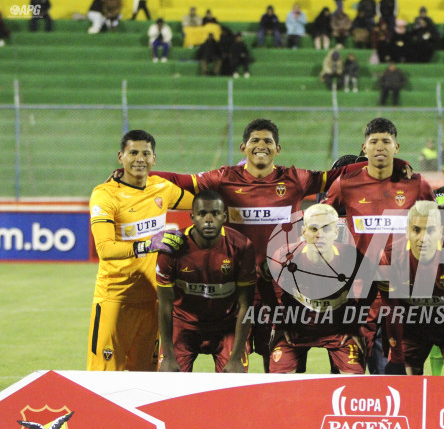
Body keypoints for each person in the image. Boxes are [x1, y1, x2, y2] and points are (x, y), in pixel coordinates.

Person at [149, 119, 372, 371]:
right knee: (233, 365)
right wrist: (137, 173)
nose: (261, 145)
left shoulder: (295, 179)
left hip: (279, 291)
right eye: (255, 140)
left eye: (268, 141)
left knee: (277, 360)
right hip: (233, 290)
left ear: (278, 148)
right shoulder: (224, 178)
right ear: (244, 147)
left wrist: (396, 165)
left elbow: (337, 174)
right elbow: (178, 179)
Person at [322, 118, 435, 374]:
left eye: (386, 141)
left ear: (397, 147)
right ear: (364, 147)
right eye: (374, 142)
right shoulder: (346, 185)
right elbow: (320, 221)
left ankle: (407, 411)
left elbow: (433, 229)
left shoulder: (417, 185)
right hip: (361, 288)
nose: (380, 147)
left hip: (406, 286)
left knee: (406, 363)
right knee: (350, 362)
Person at [88, 130, 192, 371]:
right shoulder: (104, 195)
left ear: (154, 159)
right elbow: (104, 249)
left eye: (146, 153)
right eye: (133, 152)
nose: (139, 159)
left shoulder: (161, 189)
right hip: (115, 299)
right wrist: (147, 245)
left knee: (145, 375)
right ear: (120, 157)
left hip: (152, 301)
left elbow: (201, 203)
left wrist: (234, 178)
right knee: (103, 377)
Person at [156, 190, 256, 373]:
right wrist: (168, 356)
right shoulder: (171, 248)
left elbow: (246, 305)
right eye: (202, 214)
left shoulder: (242, 247)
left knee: (233, 385)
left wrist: (236, 357)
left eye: (215, 214)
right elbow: (165, 304)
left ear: (224, 216)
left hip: (226, 326)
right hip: (183, 325)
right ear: (192, 217)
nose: (209, 220)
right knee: (168, 381)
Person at [266, 203, 369, 374]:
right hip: (296, 332)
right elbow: (266, 284)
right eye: (314, 229)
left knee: (355, 386)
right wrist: (279, 325)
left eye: (327, 229)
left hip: (338, 332)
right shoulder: (285, 258)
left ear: (336, 232)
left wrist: (355, 326)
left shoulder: (351, 257)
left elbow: (370, 286)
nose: (320, 235)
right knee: (279, 384)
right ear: (304, 232)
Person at [381, 201, 444, 376]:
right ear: (407, 230)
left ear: (441, 231)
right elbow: (391, 309)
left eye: (431, 230)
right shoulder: (389, 257)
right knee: (401, 384)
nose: (423, 238)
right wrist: (396, 357)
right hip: (411, 330)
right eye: (416, 230)